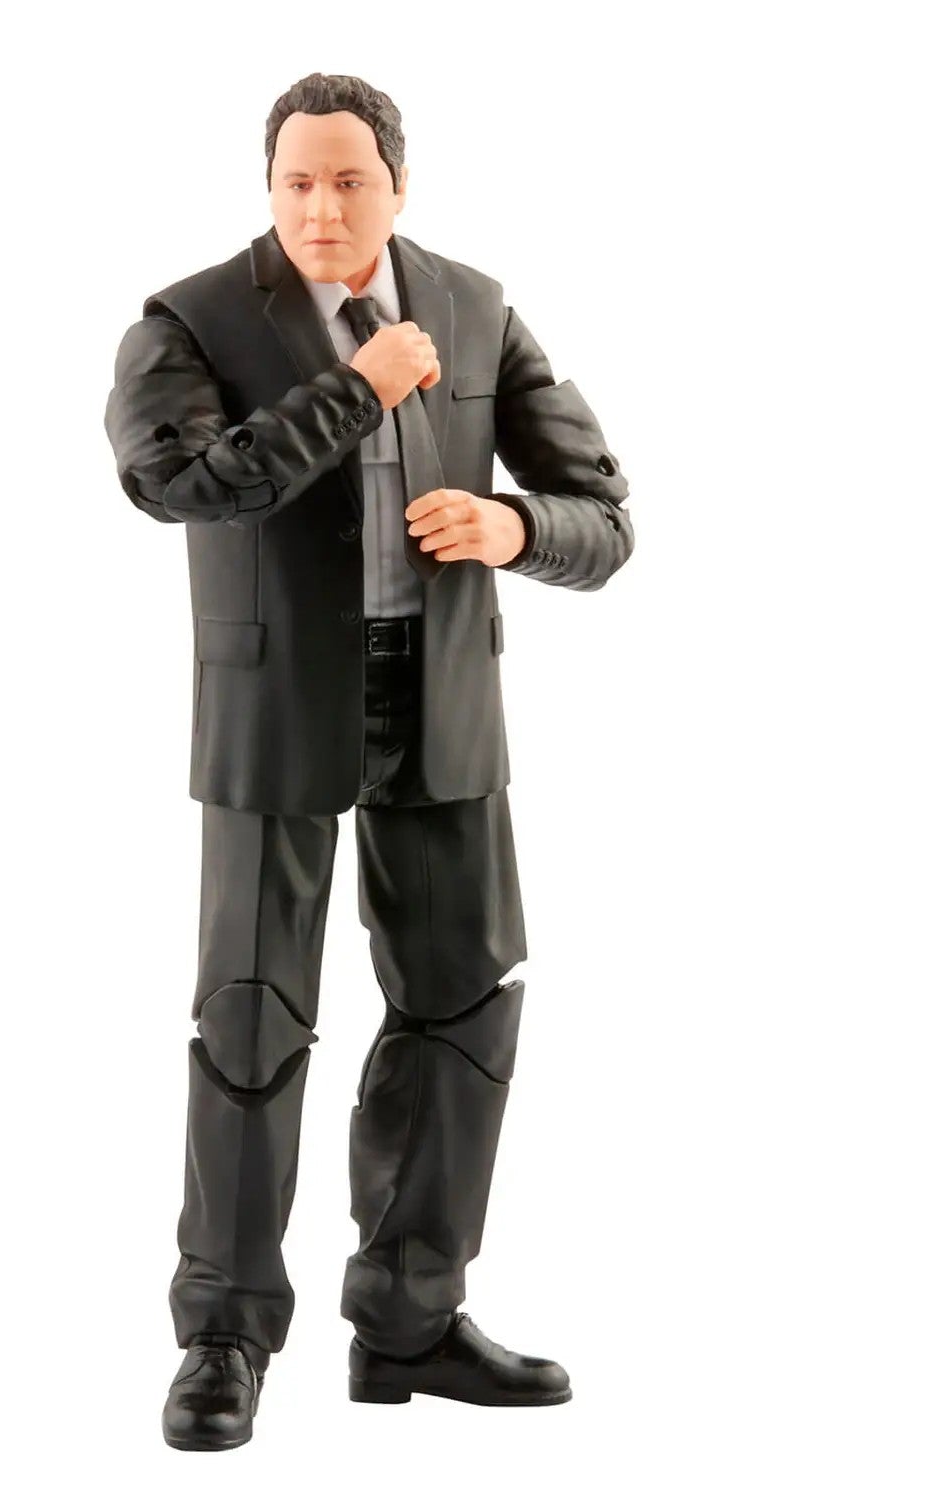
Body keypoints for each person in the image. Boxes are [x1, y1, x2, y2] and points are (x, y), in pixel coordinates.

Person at [103, 71, 634, 1451]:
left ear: (399, 186)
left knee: (464, 1003)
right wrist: (356, 389)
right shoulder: (192, 318)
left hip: (440, 703)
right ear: (268, 187)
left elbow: (602, 513)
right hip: (277, 712)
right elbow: (176, 482)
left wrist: (518, 531)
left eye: (349, 181)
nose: (322, 210)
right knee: (250, 1017)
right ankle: (224, 1334)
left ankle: (411, 1321)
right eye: (297, 182)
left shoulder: (475, 305)